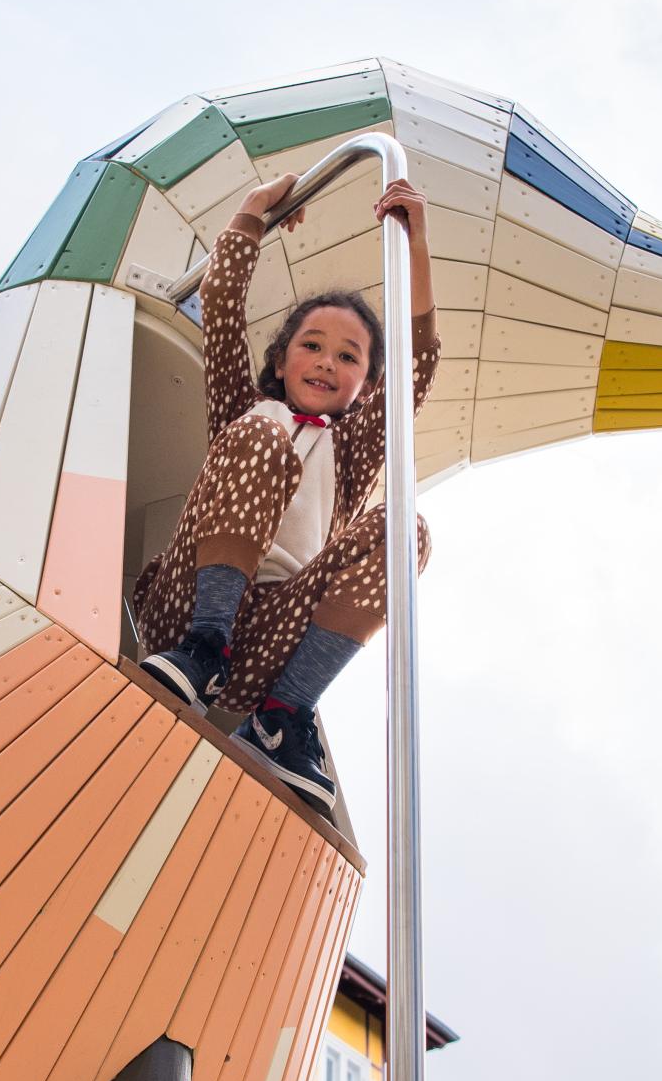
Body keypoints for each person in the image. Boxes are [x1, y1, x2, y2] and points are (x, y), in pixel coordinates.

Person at [132, 173, 437, 815]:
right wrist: (253, 212)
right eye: (313, 346)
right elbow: (220, 304)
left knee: (406, 527)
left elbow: (416, 369)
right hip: (184, 612)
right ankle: (203, 647)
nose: (327, 361)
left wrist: (416, 247)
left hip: (269, 642)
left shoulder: (352, 454)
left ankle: (280, 718)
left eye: (348, 357)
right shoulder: (245, 409)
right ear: (280, 361)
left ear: (365, 387)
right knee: (264, 432)